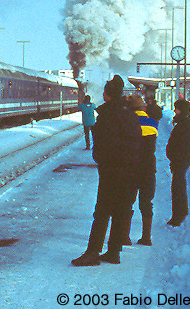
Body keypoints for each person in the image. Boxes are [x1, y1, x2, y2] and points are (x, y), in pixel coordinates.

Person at [71, 75, 141, 266]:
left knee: (102, 212)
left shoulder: (107, 116)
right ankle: (113, 252)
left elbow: (104, 146)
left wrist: (100, 160)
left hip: (112, 170)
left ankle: (93, 252)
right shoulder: (130, 114)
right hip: (129, 170)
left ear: (107, 94)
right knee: (120, 211)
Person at [126, 94, 158, 246]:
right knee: (146, 202)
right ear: (144, 108)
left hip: (131, 167)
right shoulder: (153, 123)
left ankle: (124, 236)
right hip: (148, 167)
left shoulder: (127, 122)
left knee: (127, 202)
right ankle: (146, 237)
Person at [166, 99, 190, 226]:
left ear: (182, 110)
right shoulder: (185, 123)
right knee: (178, 187)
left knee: (178, 189)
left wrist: (176, 158)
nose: (175, 111)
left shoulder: (186, 124)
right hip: (179, 160)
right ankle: (180, 214)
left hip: (180, 161)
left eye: (177, 109)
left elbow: (183, 145)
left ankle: (178, 216)